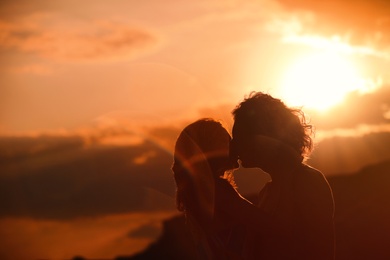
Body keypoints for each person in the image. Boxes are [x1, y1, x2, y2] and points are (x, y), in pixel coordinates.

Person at [230, 91, 335, 260]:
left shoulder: (309, 181)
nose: (233, 146)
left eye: (239, 137)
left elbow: (321, 251)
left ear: (262, 138)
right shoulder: (267, 192)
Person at [172, 118, 269, 259]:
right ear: (212, 149)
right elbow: (262, 222)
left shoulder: (196, 195)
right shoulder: (218, 190)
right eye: (226, 141)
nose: (234, 146)